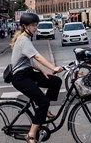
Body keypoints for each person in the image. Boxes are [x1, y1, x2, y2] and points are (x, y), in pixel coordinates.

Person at [10, 13, 63, 143]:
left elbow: (31, 61)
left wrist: (43, 71)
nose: (35, 28)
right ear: (25, 26)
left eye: (36, 25)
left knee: (56, 81)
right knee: (43, 102)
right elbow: (37, 57)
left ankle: (44, 110)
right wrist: (53, 67)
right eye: (33, 25)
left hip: (28, 72)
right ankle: (31, 135)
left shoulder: (26, 39)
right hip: (20, 77)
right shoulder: (23, 40)